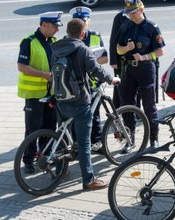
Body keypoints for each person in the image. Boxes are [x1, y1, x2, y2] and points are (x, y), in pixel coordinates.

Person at [51, 18, 121, 190]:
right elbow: (96, 70)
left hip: (61, 98)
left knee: (62, 135)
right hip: (79, 100)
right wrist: (111, 79)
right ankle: (88, 180)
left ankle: (61, 170)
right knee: (84, 143)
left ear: (67, 32)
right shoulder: (83, 49)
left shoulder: (58, 47)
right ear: (83, 34)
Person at [17, 11, 63, 174]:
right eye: (54, 27)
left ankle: (44, 157)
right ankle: (28, 160)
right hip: (34, 95)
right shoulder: (29, 41)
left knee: (50, 127)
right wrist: (44, 75)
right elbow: (22, 66)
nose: (57, 30)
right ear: (44, 25)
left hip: (50, 94)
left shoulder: (54, 41)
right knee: (33, 129)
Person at [116, 0, 165, 152]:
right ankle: (129, 141)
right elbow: (118, 49)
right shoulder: (125, 26)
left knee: (149, 105)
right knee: (128, 105)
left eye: (133, 12)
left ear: (142, 9)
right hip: (129, 70)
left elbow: (160, 51)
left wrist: (144, 57)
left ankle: (154, 139)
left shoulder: (152, 27)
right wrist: (126, 48)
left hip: (145, 69)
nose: (131, 15)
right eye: (129, 13)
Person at [69, 6, 108, 154]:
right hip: (77, 85)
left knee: (95, 114)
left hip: (93, 83)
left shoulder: (95, 36)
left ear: (89, 21)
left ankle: (96, 142)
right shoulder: (70, 39)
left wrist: (92, 60)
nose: (83, 23)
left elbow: (105, 58)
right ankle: (77, 145)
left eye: (85, 21)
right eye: (80, 21)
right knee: (76, 117)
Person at [109, 1, 130, 109]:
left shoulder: (140, 14)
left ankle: (135, 109)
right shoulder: (119, 17)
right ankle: (116, 109)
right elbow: (113, 40)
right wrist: (113, 60)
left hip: (133, 59)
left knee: (134, 87)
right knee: (119, 86)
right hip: (120, 59)